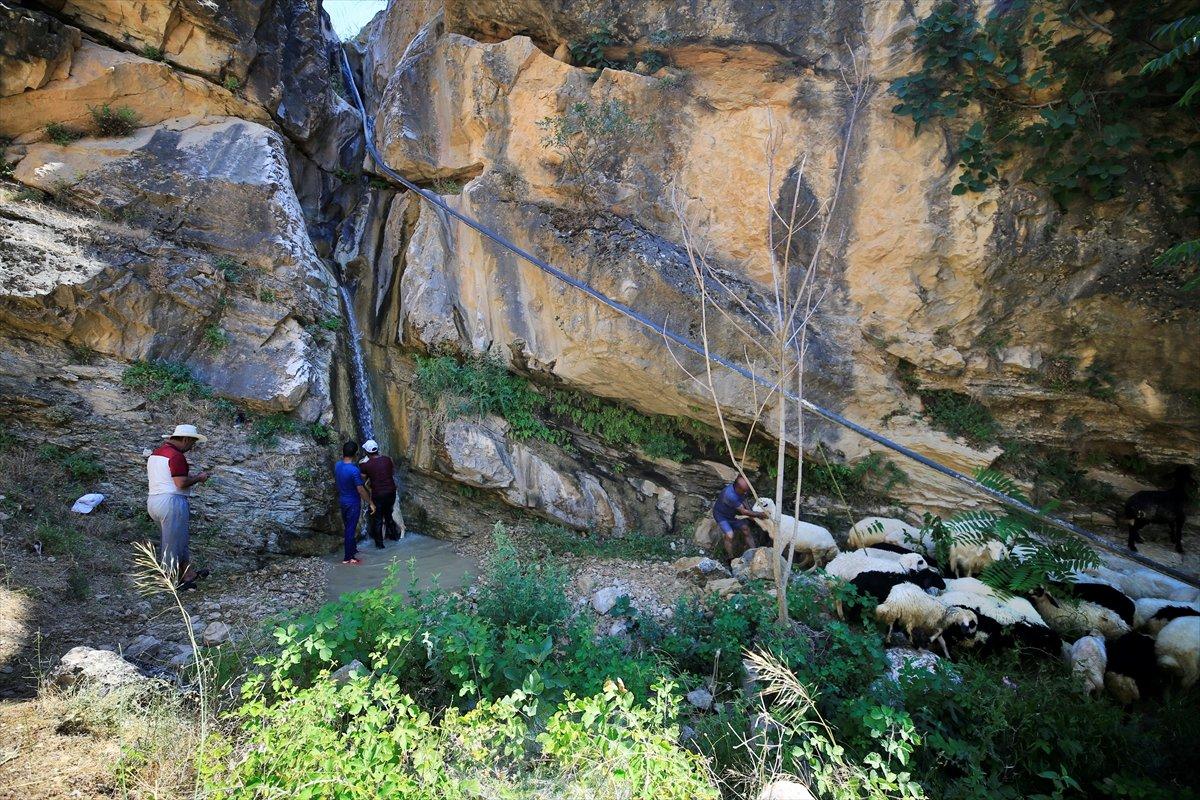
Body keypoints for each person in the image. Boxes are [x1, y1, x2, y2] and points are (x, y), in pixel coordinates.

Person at [146, 424, 210, 589]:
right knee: (172, 545)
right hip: (171, 501)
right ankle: (170, 581)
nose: (191, 447)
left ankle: (187, 574)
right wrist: (199, 478)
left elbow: (166, 477)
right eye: (192, 443)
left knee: (177, 539)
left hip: (154, 500)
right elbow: (180, 483)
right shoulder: (176, 456)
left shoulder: (156, 453)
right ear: (186, 439)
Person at [712, 474, 768, 561]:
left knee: (746, 528)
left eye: (746, 491)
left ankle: (755, 552)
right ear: (737, 488)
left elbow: (744, 499)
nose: (746, 492)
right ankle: (730, 557)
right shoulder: (730, 495)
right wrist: (759, 514)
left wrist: (751, 511)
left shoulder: (740, 490)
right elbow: (743, 511)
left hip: (731, 514)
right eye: (744, 491)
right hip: (721, 516)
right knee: (730, 535)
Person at [335, 440, 374, 565]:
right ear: (356, 454)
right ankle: (348, 558)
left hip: (342, 501)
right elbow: (361, 490)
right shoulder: (354, 470)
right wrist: (370, 503)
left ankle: (352, 550)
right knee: (350, 530)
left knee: (348, 527)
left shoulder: (337, 465)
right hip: (352, 503)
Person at [358, 439, 401, 548]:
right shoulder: (388, 460)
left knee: (377, 520)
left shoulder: (365, 465)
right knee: (389, 516)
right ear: (377, 450)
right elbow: (391, 472)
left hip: (378, 494)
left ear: (367, 452)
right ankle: (395, 538)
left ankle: (380, 546)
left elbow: (362, 479)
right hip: (391, 492)